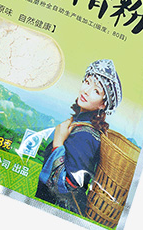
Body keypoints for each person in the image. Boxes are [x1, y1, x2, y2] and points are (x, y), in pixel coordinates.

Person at [35, 59, 122, 217]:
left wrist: (58, 144)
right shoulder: (80, 125)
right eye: (87, 82)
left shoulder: (86, 136)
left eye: (96, 91)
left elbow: (69, 186)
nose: (86, 91)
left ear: (103, 104)